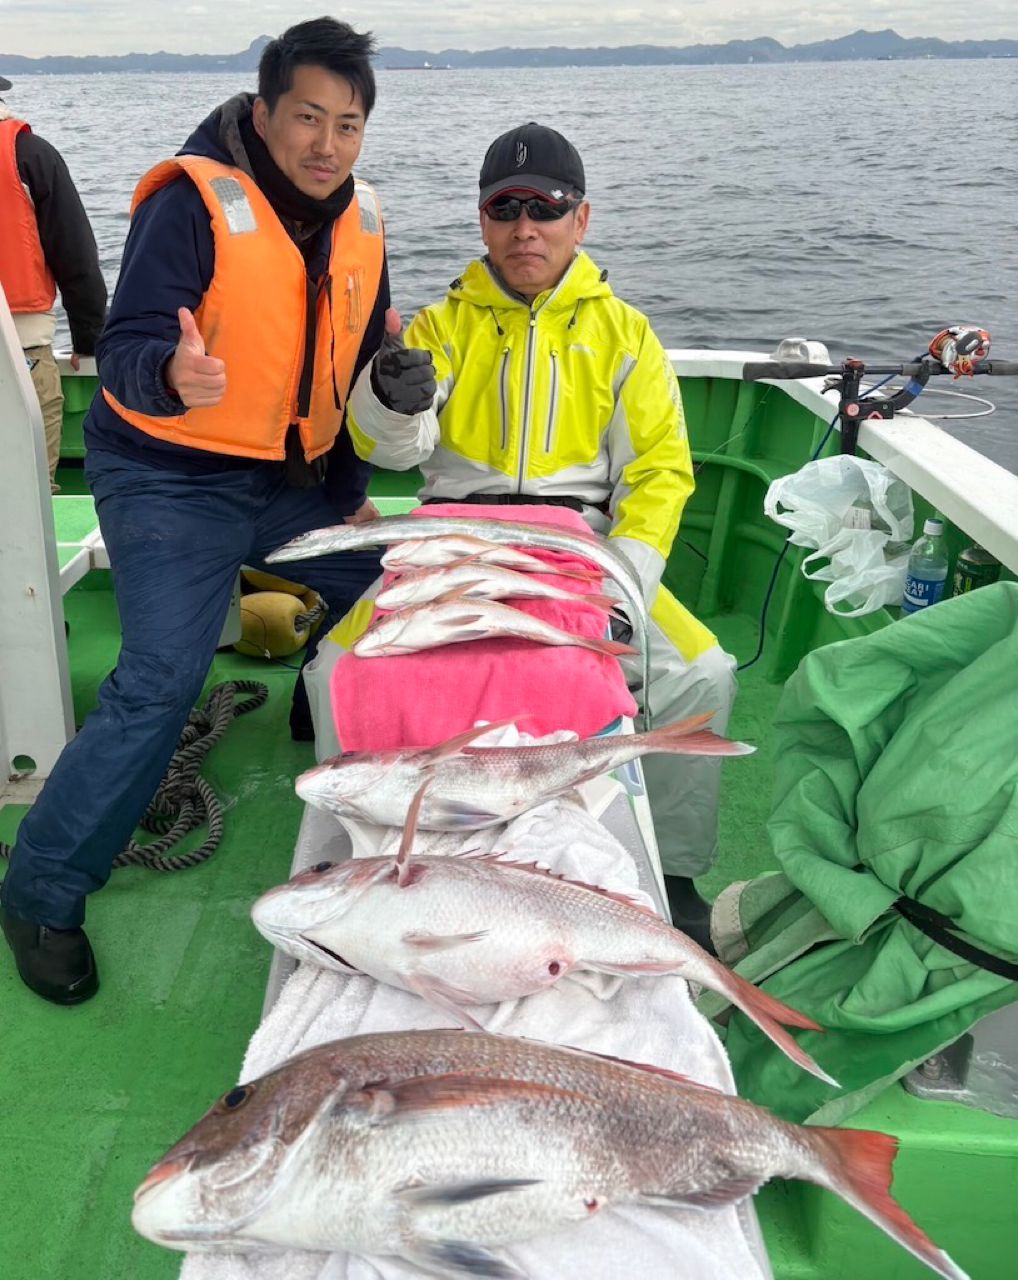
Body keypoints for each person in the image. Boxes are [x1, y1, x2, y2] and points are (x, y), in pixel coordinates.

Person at [0, 18, 432, 1005]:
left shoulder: (363, 218)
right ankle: (40, 887)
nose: (327, 144)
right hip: (169, 475)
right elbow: (122, 349)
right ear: (264, 110)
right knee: (162, 676)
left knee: (394, 583)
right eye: (309, 117)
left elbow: (355, 368)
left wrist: (373, 445)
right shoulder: (192, 205)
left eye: (350, 125)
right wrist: (171, 372)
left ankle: (319, 700)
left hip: (293, 483)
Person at [340, 122, 737, 947]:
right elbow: (390, 453)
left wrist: (624, 587)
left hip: (581, 547)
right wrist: (390, 398)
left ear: (580, 220)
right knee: (332, 670)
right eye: (505, 208)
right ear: (482, 221)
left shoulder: (625, 333)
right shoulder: (438, 328)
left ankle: (674, 871)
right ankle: (369, 851)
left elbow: (658, 475)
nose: (526, 227)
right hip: (452, 535)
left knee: (702, 675)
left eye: (547, 208)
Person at [0, 73, 107, 490]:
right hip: (20, 345)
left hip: (19, 339)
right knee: (28, 491)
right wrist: (89, 339)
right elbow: (75, 253)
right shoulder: (31, 154)